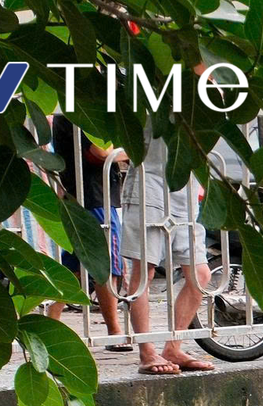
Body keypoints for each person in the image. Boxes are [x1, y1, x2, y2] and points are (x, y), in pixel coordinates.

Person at [117, 134, 215, 375]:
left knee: (200, 275)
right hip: (149, 183)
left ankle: (173, 347)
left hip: (185, 188)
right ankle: (147, 352)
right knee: (145, 273)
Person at [46, 115, 128, 348]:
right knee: (106, 264)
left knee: (75, 265)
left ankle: (52, 317)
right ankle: (114, 331)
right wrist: (129, 151)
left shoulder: (66, 116)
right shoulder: (82, 117)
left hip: (79, 196)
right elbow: (100, 153)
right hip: (95, 196)